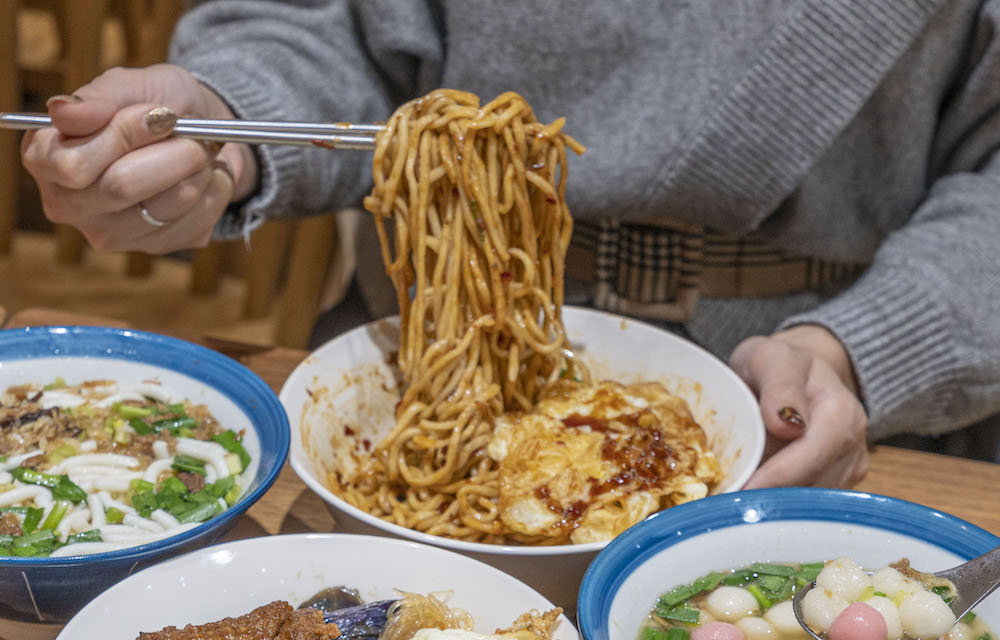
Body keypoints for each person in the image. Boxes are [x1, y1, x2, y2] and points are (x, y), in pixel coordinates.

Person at [20, 1, 1000, 489]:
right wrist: (227, 122)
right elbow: (320, 26)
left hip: (843, 426)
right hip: (415, 380)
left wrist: (857, 349)